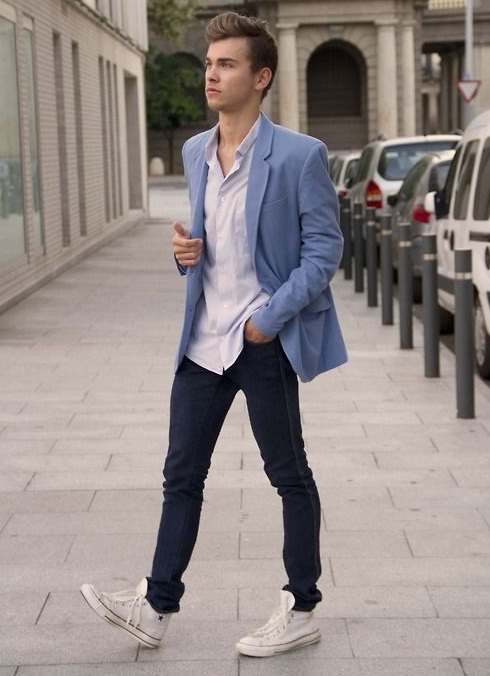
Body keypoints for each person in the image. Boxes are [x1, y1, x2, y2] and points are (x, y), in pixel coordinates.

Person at [80, 10, 347, 658]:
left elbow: (324, 251)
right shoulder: (196, 152)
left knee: (288, 474)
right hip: (203, 341)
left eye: (226, 64)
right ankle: (155, 607)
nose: (211, 74)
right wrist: (185, 255)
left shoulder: (300, 156)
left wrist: (268, 320)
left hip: (261, 340)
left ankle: (301, 606)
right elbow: (205, 246)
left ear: (261, 77)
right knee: (181, 475)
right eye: (209, 63)